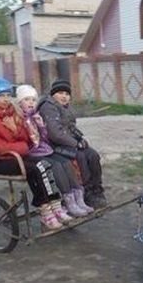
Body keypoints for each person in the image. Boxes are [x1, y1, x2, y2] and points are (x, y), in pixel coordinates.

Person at [0, 78, 63, 231]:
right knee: (36, 169)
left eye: (8, 95)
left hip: (18, 156)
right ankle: (45, 210)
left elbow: (26, 138)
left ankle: (55, 204)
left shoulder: (14, 112)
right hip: (1, 161)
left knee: (44, 164)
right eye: (1, 96)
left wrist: (15, 130)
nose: (6, 99)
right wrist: (22, 146)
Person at [14, 85, 93, 220]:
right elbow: (23, 140)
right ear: (19, 102)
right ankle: (68, 202)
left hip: (43, 150)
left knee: (65, 162)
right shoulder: (19, 118)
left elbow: (45, 138)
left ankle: (77, 199)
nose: (31, 103)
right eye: (26, 99)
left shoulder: (35, 116)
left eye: (33, 100)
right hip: (31, 153)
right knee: (55, 166)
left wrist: (41, 126)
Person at [38, 79, 107, 209]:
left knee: (93, 155)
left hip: (68, 143)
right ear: (53, 94)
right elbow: (55, 134)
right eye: (60, 93)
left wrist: (80, 139)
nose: (64, 96)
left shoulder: (65, 108)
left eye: (67, 94)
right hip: (53, 146)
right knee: (80, 157)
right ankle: (86, 191)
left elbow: (71, 127)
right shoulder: (48, 107)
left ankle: (96, 189)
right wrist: (75, 143)